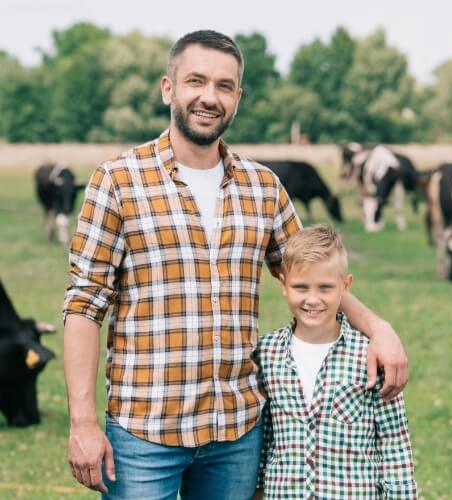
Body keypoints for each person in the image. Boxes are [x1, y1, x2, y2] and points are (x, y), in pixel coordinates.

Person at [62, 30, 408, 499]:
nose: (209, 97)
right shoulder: (118, 180)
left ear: (238, 97)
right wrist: (82, 422)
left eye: (224, 86)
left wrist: (378, 328)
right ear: (169, 88)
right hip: (143, 432)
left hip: (236, 433)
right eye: (196, 81)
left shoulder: (263, 187)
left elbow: (313, 275)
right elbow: (85, 305)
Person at [255, 225, 417, 499]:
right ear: (283, 284)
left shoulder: (369, 355)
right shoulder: (267, 353)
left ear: (345, 286)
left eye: (325, 288)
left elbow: (394, 441)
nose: (312, 299)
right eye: (301, 287)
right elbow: (265, 436)